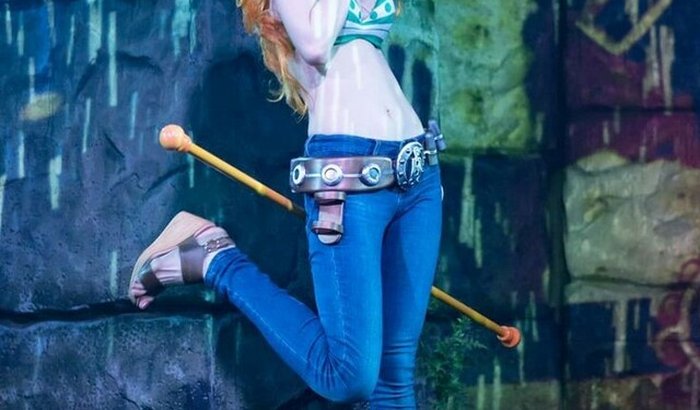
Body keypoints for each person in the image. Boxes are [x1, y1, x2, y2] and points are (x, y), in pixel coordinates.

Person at [128, 0, 444, 407]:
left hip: (416, 169)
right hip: (348, 175)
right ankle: (216, 260)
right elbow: (315, 46)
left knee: (395, 376)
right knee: (349, 376)